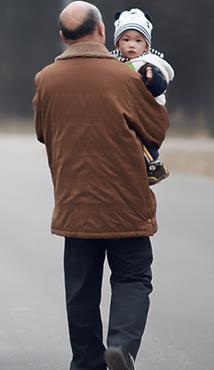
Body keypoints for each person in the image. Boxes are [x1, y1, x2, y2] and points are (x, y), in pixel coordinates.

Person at [33, 2, 169, 370]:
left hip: (75, 203)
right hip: (127, 203)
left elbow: (43, 133)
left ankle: (87, 363)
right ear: (102, 33)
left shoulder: (45, 79)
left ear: (63, 37)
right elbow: (156, 129)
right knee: (133, 276)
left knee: (81, 290)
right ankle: (121, 346)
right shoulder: (127, 77)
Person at [111, 8, 175, 185]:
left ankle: (153, 164)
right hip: (127, 106)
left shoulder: (149, 63)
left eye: (138, 41)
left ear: (146, 45)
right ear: (117, 43)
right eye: (126, 40)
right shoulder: (113, 61)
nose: (132, 45)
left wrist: (152, 80)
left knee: (141, 137)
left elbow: (160, 86)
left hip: (147, 108)